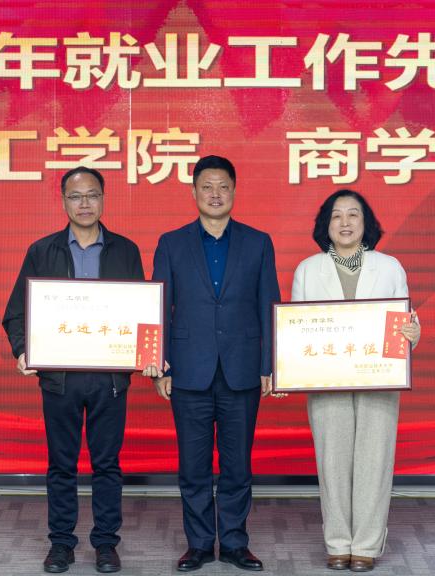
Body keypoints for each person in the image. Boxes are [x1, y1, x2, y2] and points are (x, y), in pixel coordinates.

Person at [1, 166, 144, 574]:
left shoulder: (125, 251)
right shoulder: (42, 251)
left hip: (109, 378)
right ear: (63, 201)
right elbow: (16, 313)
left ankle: (106, 544)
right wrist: (24, 350)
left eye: (92, 195)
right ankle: (61, 544)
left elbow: (143, 311)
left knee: (107, 465)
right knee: (61, 465)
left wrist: (149, 352)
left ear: (103, 199)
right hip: (60, 379)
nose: (85, 204)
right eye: (76, 196)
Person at [150, 155, 280, 572]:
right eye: (207, 186)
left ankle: (237, 543)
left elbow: (269, 305)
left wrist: (270, 364)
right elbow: (159, 306)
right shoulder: (171, 243)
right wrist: (160, 365)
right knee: (193, 467)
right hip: (188, 371)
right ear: (194, 192)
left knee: (237, 465)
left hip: (242, 370)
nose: (215, 194)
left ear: (235, 191)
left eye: (223, 186)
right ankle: (200, 544)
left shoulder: (258, 242)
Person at [290, 190, 421, 573]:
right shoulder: (308, 270)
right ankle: (337, 542)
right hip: (325, 379)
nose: (345, 223)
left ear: (366, 224)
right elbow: (295, 328)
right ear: (325, 224)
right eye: (337, 215)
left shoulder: (389, 267)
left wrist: (413, 333)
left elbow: (404, 321)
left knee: (373, 460)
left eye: (353, 215)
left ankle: (365, 545)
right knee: (332, 461)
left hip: (379, 379)